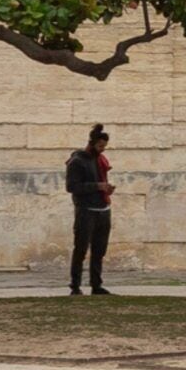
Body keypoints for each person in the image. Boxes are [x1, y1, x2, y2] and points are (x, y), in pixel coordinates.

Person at [65, 125, 115, 295]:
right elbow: (72, 186)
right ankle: (75, 285)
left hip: (103, 208)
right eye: (100, 146)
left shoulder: (100, 160)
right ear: (92, 143)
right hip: (86, 210)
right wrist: (97, 186)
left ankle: (96, 284)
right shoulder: (77, 161)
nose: (102, 150)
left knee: (99, 250)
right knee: (81, 249)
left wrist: (105, 188)